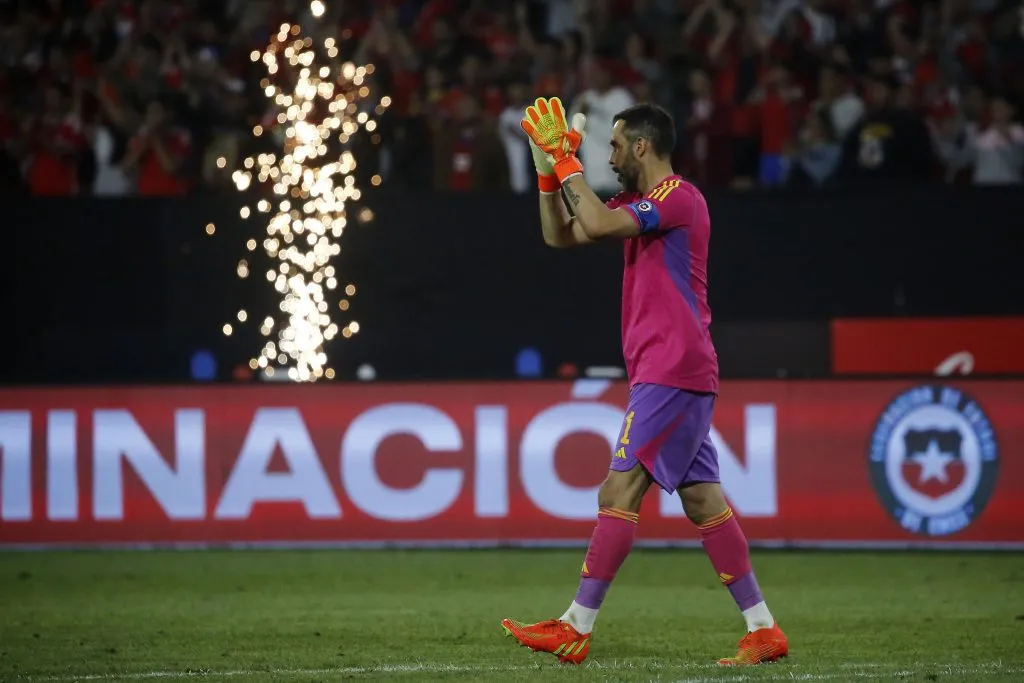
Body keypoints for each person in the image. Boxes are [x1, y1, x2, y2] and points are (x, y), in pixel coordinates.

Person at [501, 98, 789, 667]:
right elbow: (562, 236)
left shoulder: (676, 197)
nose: (606, 154)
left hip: (672, 367)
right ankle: (764, 629)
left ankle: (575, 626)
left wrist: (568, 162)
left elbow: (599, 222)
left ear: (641, 145)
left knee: (618, 491)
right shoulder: (637, 202)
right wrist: (546, 169)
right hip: (670, 370)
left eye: (613, 144)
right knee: (704, 501)